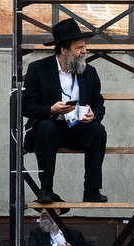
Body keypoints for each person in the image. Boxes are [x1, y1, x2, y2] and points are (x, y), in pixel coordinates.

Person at [21, 18, 108, 204]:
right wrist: (51, 109)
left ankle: (92, 190)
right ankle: (46, 189)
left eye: (84, 46)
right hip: (49, 126)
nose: (84, 51)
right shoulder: (37, 69)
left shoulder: (89, 72)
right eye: (79, 48)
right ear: (63, 49)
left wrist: (94, 114)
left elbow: (99, 104)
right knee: (45, 128)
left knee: (98, 130)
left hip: (77, 126)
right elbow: (26, 107)